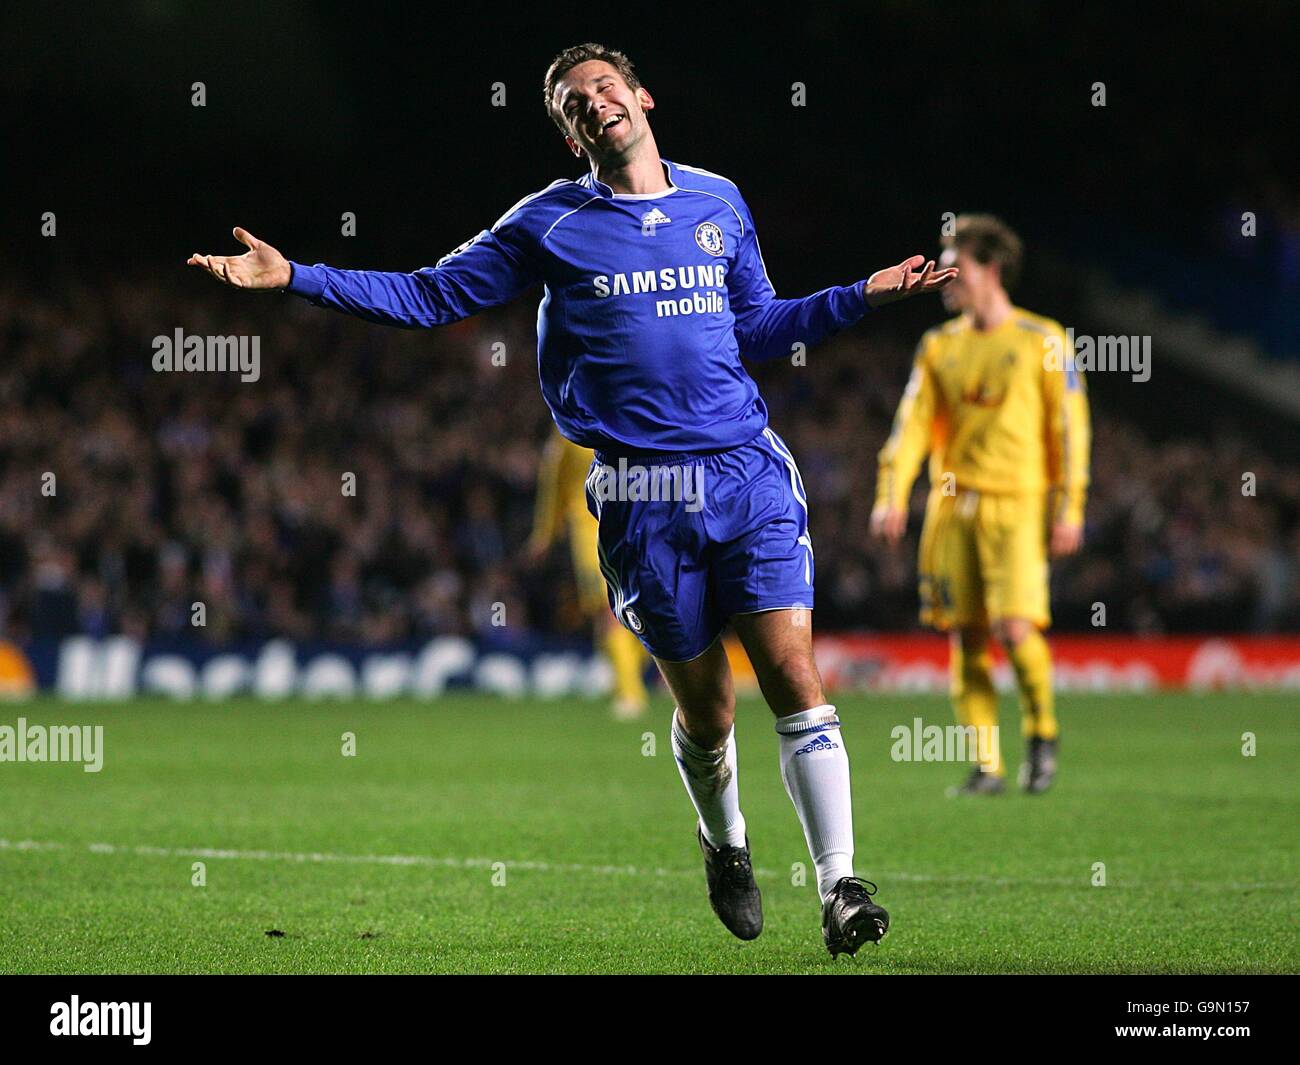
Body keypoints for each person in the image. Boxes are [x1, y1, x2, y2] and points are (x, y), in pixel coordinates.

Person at [188, 42, 956, 956]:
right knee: (707, 713)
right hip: (640, 496)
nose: (594, 104)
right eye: (572, 103)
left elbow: (757, 325)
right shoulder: (546, 224)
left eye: (603, 87)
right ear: (569, 135)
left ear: (642, 97)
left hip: (745, 470)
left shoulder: (719, 202)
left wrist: (857, 298)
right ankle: (726, 841)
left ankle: (840, 886)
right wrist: (298, 277)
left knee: (793, 675)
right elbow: (432, 295)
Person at [871, 215, 1090, 795]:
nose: (946, 278)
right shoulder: (939, 347)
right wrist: (892, 495)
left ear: (990, 269)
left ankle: (1042, 731)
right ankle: (987, 765)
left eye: (956, 267)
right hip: (950, 509)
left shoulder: (1043, 340)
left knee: (1015, 630)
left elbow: (1070, 430)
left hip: (1017, 506)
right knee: (964, 636)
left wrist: (1070, 508)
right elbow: (911, 427)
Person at [526, 428, 650, 719]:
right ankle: (630, 692)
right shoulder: (568, 430)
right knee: (607, 610)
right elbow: (553, 481)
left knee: (637, 610)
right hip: (591, 534)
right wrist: (545, 532)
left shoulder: (630, 420)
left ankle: (625, 681)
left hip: (637, 528)